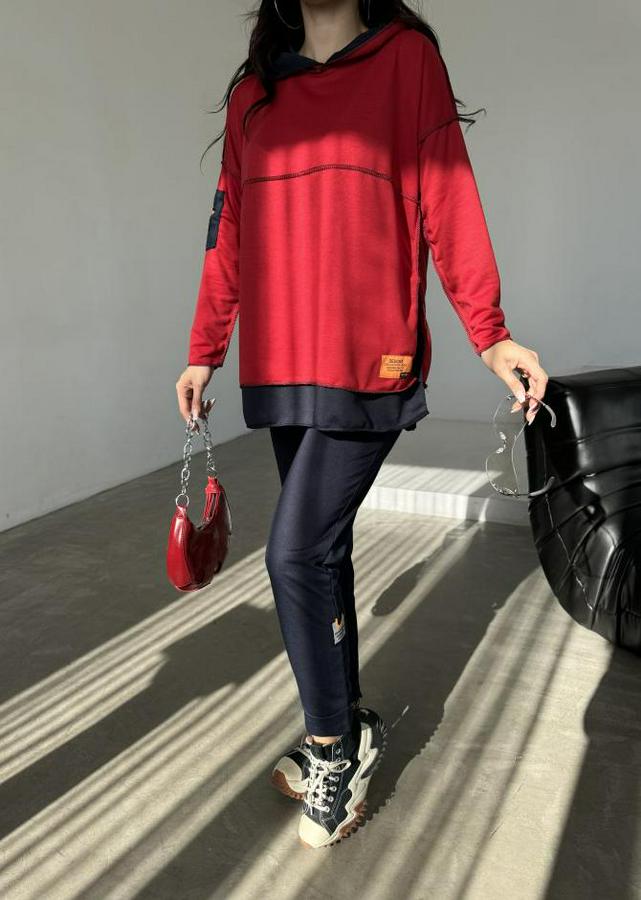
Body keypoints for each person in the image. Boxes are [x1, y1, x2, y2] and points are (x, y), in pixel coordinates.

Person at [176, 0, 548, 849]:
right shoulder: (256, 95)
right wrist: (204, 348)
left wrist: (488, 332)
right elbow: (226, 230)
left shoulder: (405, 61)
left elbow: (448, 196)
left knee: (293, 553)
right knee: (323, 551)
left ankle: (332, 751)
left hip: (370, 356)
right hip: (281, 358)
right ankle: (349, 723)